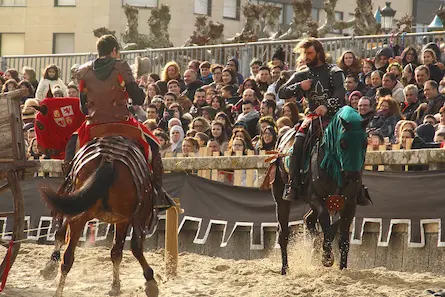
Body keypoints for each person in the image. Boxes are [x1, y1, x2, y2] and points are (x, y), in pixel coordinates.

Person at [67, 34, 174, 210]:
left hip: (93, 126)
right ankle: (157, 193)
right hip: (122, 124)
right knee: (154, 145)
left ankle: (69, 187)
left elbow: (83, 108)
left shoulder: (83, 71)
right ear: (115, 50)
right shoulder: (122, 66)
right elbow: (138, 99)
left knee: (71, 146)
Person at [278, 38, 346, 202]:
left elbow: (340, 94)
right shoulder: (302, 74)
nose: (306, 57)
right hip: (312, 117)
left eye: (309, 53)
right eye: (304, 53)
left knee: (352, 140)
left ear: (319, 53)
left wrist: (327, 106)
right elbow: (281, 92)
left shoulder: (334, 71)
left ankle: (356, 185)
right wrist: (300, 87)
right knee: (298, 142)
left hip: (335, 117)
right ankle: (293, 184)